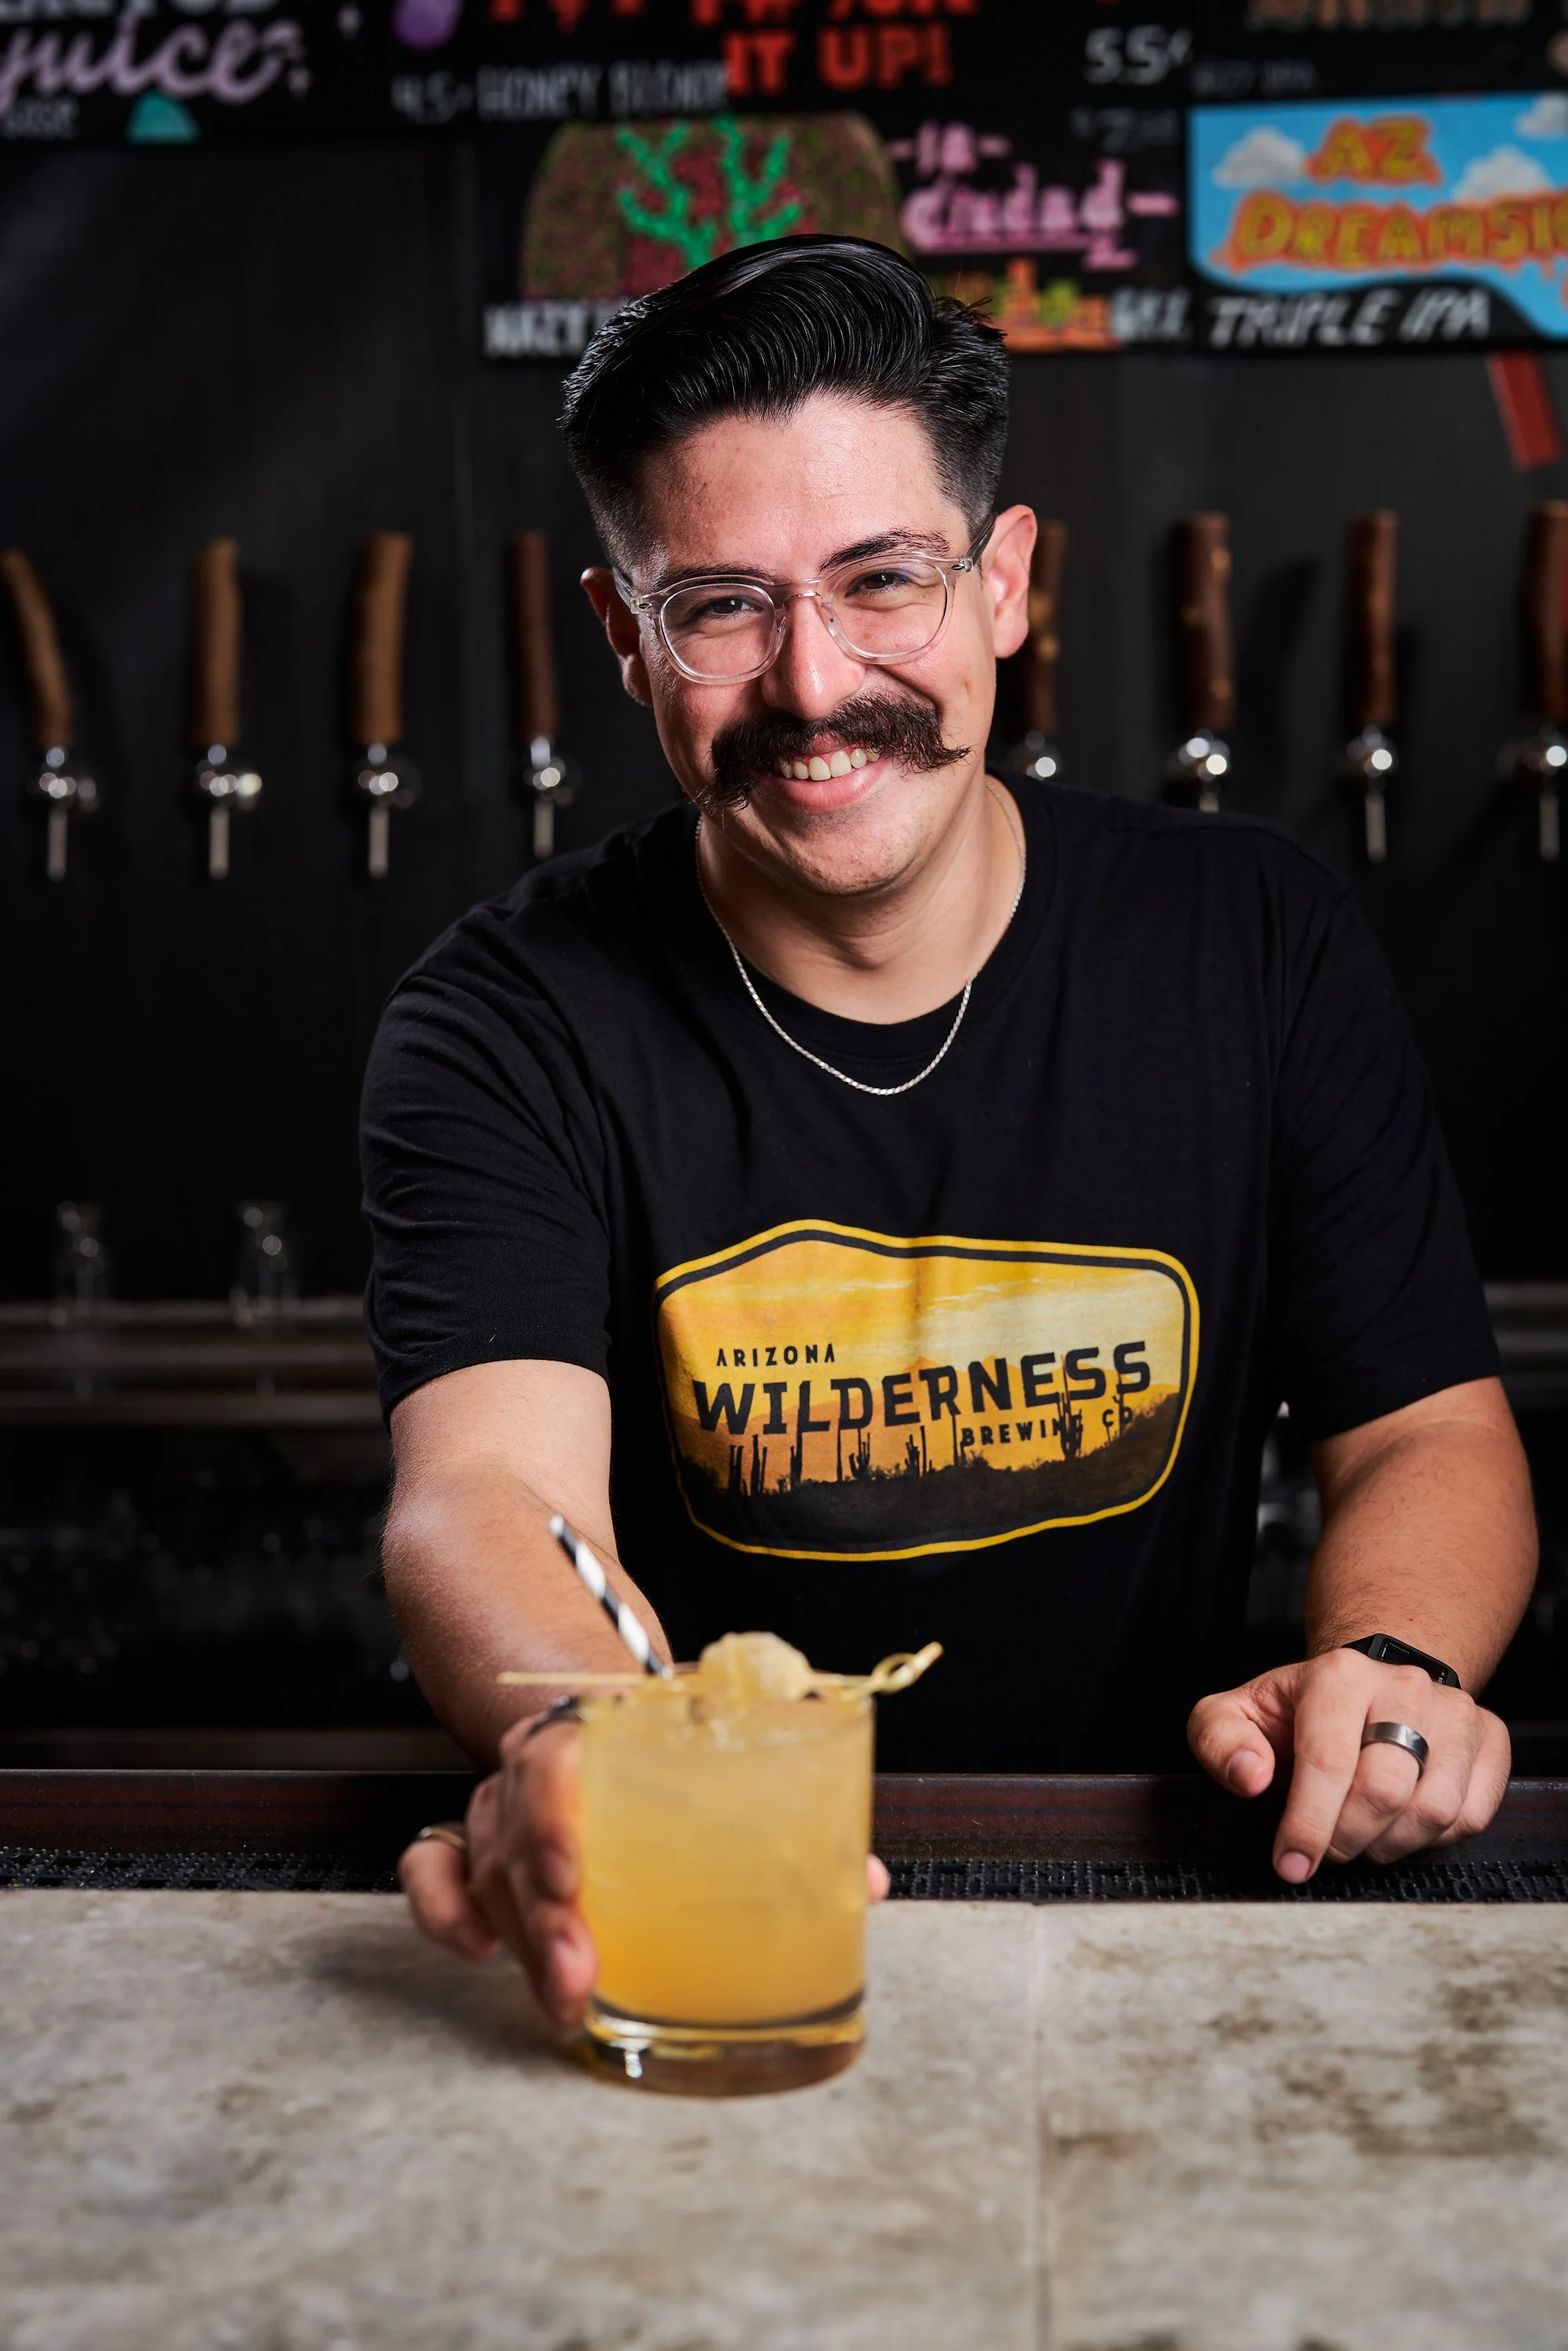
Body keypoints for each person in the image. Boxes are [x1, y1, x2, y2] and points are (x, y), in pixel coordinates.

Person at [366, 235, 1534, 2022]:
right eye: (722, 607)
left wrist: (1389, 1669)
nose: (812, 683)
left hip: (1177, 1894)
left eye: (882, 580)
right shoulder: (505, 1020)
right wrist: (584, 1737)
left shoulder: (1250, 940)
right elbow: (485, 1492)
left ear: (1003, 583)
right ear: (624, 640)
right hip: (710, 1894)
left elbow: (1427, 1431)